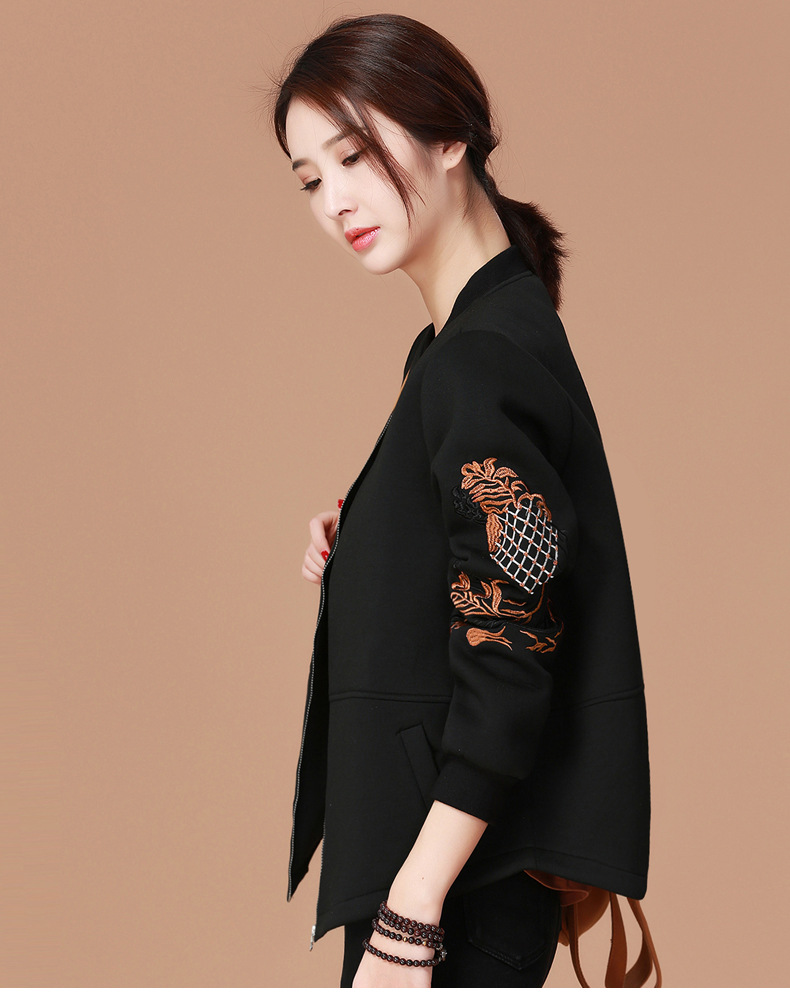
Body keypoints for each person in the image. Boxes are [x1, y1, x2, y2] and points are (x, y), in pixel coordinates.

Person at [264, 13, 652, 989]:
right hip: (451, 880)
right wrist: (376, 535)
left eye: (354, 154)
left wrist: (411, 911)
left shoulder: (480, 357)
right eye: (309, 179)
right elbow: (507, 551)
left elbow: (514, 634)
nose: (334, 200)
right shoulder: (467, 343)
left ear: (449, 137)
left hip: (449, 893)